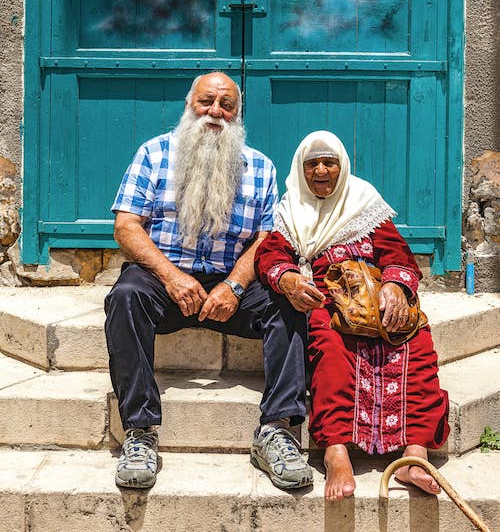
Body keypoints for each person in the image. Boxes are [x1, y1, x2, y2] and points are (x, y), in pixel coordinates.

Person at [104, 72, 313, 491]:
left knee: (288, 303)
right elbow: (127, 227)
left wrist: (235, 285)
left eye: (226, 105)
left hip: (230, 282)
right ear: (189, 105)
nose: (215, 111)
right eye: (206, 101)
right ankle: (140, 432)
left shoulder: (259, 166)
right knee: (124, 297)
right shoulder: (154, 154)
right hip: (164, 279)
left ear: (237, 114)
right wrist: (172, 277)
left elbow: (265, 239)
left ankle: (277, 429)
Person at [255, 130, 449, 501]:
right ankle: (336, 452)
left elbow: (399, 256)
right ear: (302, 169)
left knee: (418, 346)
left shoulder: (365, 204)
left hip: (377, 299)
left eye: (330, 163)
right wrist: (291, 278)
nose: (322, 170)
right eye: (313, 164)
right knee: (329, 352)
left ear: (343, 167)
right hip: (328, 302)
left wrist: (395, 286)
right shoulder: (290, 211)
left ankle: (414, 455)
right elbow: (270, 257)